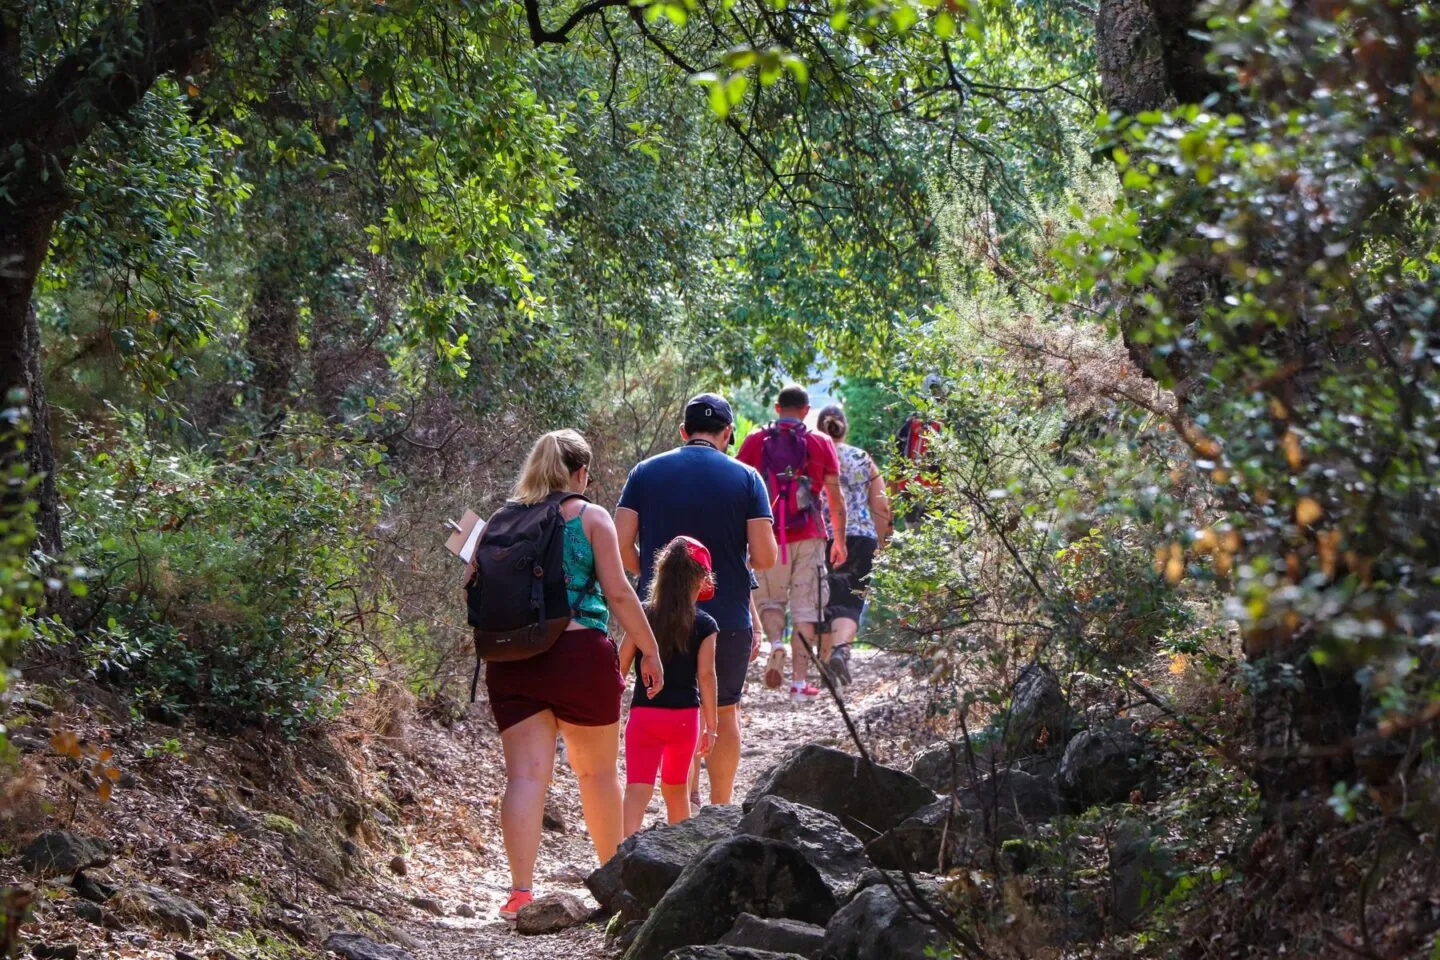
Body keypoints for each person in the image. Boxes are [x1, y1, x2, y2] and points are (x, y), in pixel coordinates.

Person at [480, 429, 665, 922]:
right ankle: (616, 885)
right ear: (581, 472)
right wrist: (649, 650)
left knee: (523, 777)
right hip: (580, 655)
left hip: (512, 662)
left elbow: (472, 590)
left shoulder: (501, 520)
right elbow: (621, 595)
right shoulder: (589, 517)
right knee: (598, 775)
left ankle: (519, 893)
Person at [615, 393, 778, 806]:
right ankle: (720, 807)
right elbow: (765, 556)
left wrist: (655, 578)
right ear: (726, 434)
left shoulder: (643, 473)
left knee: (674, 706)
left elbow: (619, 545)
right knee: (724, 710)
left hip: (655, 619)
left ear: (683, 432)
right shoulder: (747, 478)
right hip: (726, 615)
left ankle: (681, 804)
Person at [736, 384, 847, 703]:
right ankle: (799, 684)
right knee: (806, 610)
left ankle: (776, 644)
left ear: (776, 407)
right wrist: (839, 539)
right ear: (806, 411)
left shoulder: (756, 439)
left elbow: (740, 488)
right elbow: (835, 498)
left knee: (769, 602)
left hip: (767, 533)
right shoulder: (821, 441)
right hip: (810, 533)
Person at [619, 536, 720, 834]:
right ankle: (680, 862)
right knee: (676, 791)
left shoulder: (644, 615)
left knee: (637, 789)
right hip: (684, 719)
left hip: (644, 716)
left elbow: (621, 663)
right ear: (702, 580)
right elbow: (707, 676)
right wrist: (711, 725)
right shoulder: (705, 625)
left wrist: (609, 709)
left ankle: (621, 856)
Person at [815, 405, 892, 685]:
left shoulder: (813, 455)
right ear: (844, 427)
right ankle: (840, 651)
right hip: (861, 537)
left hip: (821, 536)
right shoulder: (863, 458)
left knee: (824, 600)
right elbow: (881, 504)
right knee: (850, 601)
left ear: (819, 427)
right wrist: (884, 542)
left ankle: (826, 667)